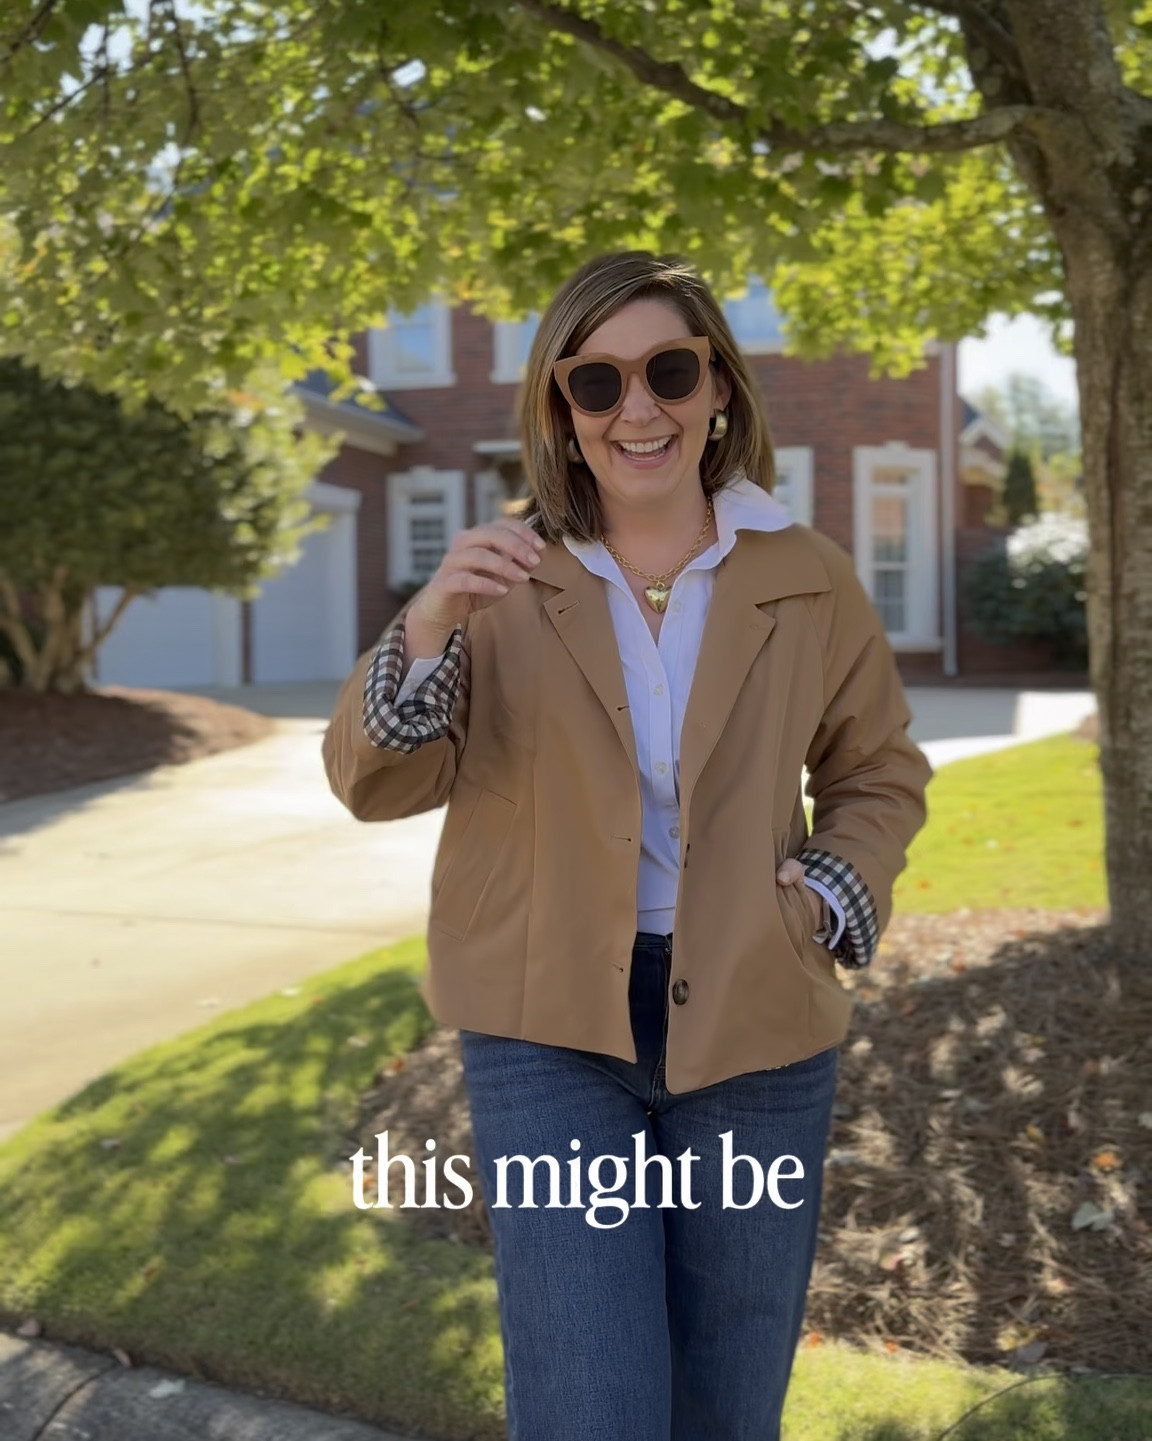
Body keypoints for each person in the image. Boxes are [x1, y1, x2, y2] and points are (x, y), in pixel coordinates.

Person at [322, 250, 932, 1440]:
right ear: (559, 407)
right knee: (590, 1404)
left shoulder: (807, 576)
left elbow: (877, 771)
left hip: (757, 1029)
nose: (635, 408)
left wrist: (824, 892)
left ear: (716, 389)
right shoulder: (497, 577)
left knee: (727, 1399)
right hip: (549, 1037)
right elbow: (374, 781)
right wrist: (430, 620)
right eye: (593, 384)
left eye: (666, 370)